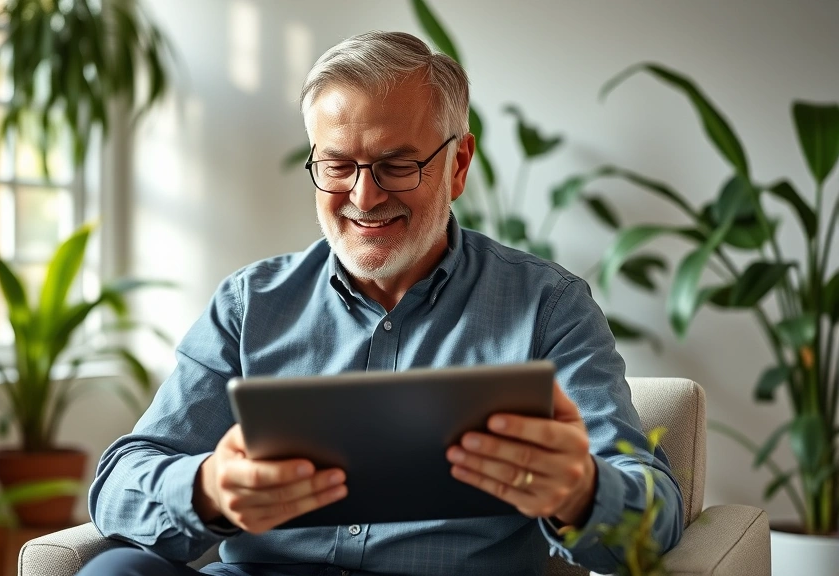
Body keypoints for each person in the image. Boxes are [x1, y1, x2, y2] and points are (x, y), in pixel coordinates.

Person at [82, 31, 683, 576]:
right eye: (338, 165)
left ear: (458, 165)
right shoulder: (250, 303)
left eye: (398, 165)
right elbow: (120, 482)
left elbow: (654, 508)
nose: (364, 197)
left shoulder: (548, 307)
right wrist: (208, 487)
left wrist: (578, 492)